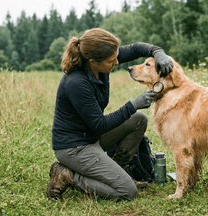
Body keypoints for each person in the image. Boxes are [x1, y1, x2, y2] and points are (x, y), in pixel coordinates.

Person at [46, 28, 173, 201]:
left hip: (92, 137)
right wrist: (133, 105)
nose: (116, 62)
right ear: (93, 61)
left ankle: (120, 169)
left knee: (138, 120)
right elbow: (99, 124)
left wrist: (158, 52)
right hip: (75, 148)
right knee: (127, 192)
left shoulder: (102, 63)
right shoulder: (76, 83)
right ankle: (67, 175)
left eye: (116, 58)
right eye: (111, 61)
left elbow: (136, 49)